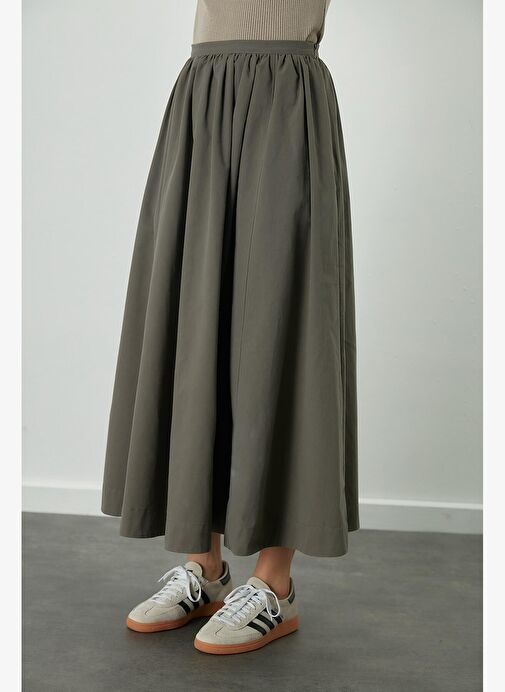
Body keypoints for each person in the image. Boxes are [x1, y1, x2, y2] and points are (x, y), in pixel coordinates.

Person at [101, 0, 359, 655]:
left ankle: (274, 584)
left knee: (284, 317)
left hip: (288, 93)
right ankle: (205, 569)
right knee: (196, 317)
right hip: (203, 91)